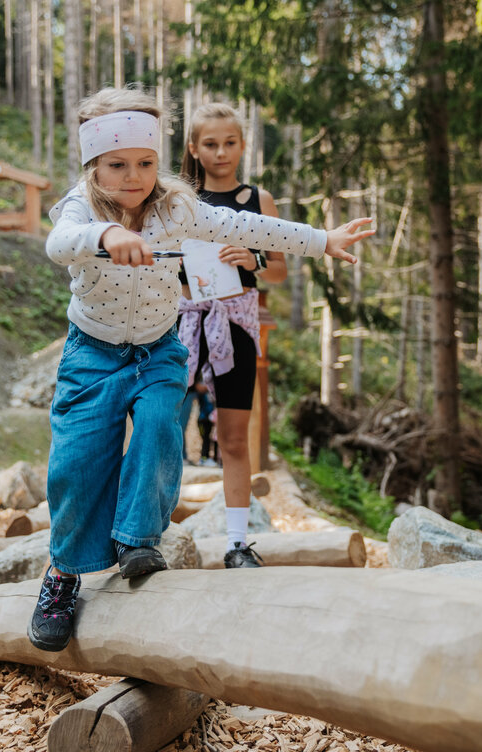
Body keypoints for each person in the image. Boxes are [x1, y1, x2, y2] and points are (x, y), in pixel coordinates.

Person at [28, 86, 373, 653]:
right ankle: (63, 575)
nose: (133, 176)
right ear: (94, 164)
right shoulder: (80, 207)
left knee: (164, 424)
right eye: (118, 165)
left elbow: (245, 229)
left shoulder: (176, 206)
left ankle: (138, 538)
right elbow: (59, 243)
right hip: (91, 354)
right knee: (75, 466)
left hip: (161, 350)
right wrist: (108, 234)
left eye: (145, 163)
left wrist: (321, 240)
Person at [178, 102, 286, 568]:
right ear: (193, 149)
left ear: (243, 145)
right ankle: (142, 536)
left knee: (234, 438)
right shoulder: (177, 199)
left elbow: (279, 270)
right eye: (210, 144)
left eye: (229, 143)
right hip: (180, 323)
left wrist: (253, 260)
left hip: (237, 323)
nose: (221, 152)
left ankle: (237, 544)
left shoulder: (258, 201)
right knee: (159, 429)